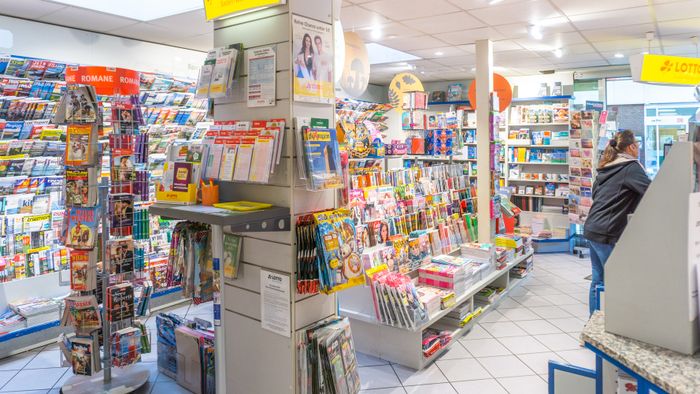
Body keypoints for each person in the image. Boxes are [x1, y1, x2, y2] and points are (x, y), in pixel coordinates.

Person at [583, 130, 651, 315]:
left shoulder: (606, 167)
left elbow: (596, 195)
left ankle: (591, 327)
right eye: (637, 144)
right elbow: (653, 192)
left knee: (599, 279)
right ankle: (614, 326)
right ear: (631, 147)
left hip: (592, 228)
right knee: (617, 280)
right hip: (606, 231)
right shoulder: (631, 167)